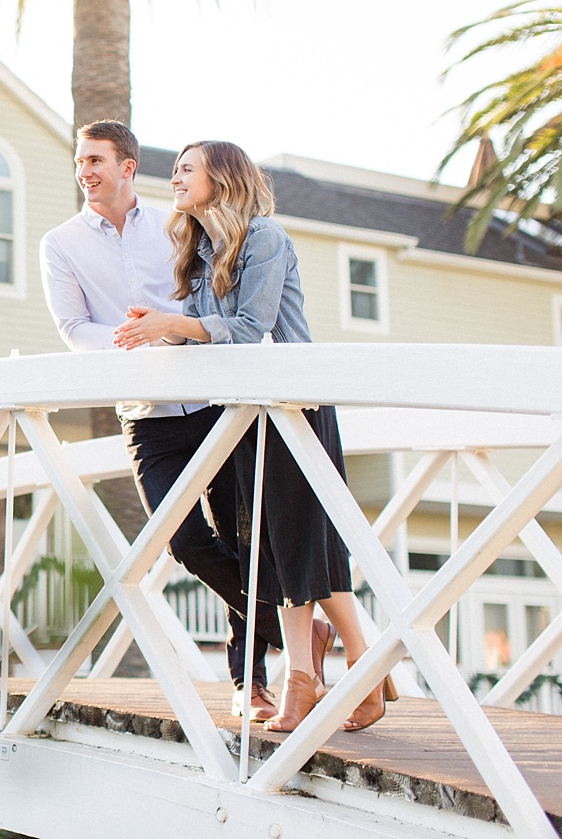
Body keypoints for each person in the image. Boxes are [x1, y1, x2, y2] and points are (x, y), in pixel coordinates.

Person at [113, 140, 395, 732]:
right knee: (266, 546)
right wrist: (160, 333)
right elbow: (203, 339)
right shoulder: (197, 250)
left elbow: (248, 329)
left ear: (222, 176)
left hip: (294, 405)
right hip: (241, 412)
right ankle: (315, 676)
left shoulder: (263, 238)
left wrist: (177, 323)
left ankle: (349, 674)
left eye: (188, 168)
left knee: (303, 542)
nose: (176, 178)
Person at [40, 120, 318, 721]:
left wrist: (174, 335)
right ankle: (295, 628)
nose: (86, 172)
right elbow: (72, 329)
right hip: (147, 414)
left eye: (96, 160)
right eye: (80, 162)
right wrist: (137, 344)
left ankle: (251, 677)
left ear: (127, 166)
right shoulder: (60, 244)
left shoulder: (179, 225)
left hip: (215, 401)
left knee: (244, 539)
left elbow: (212, 300)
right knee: (185, 538)